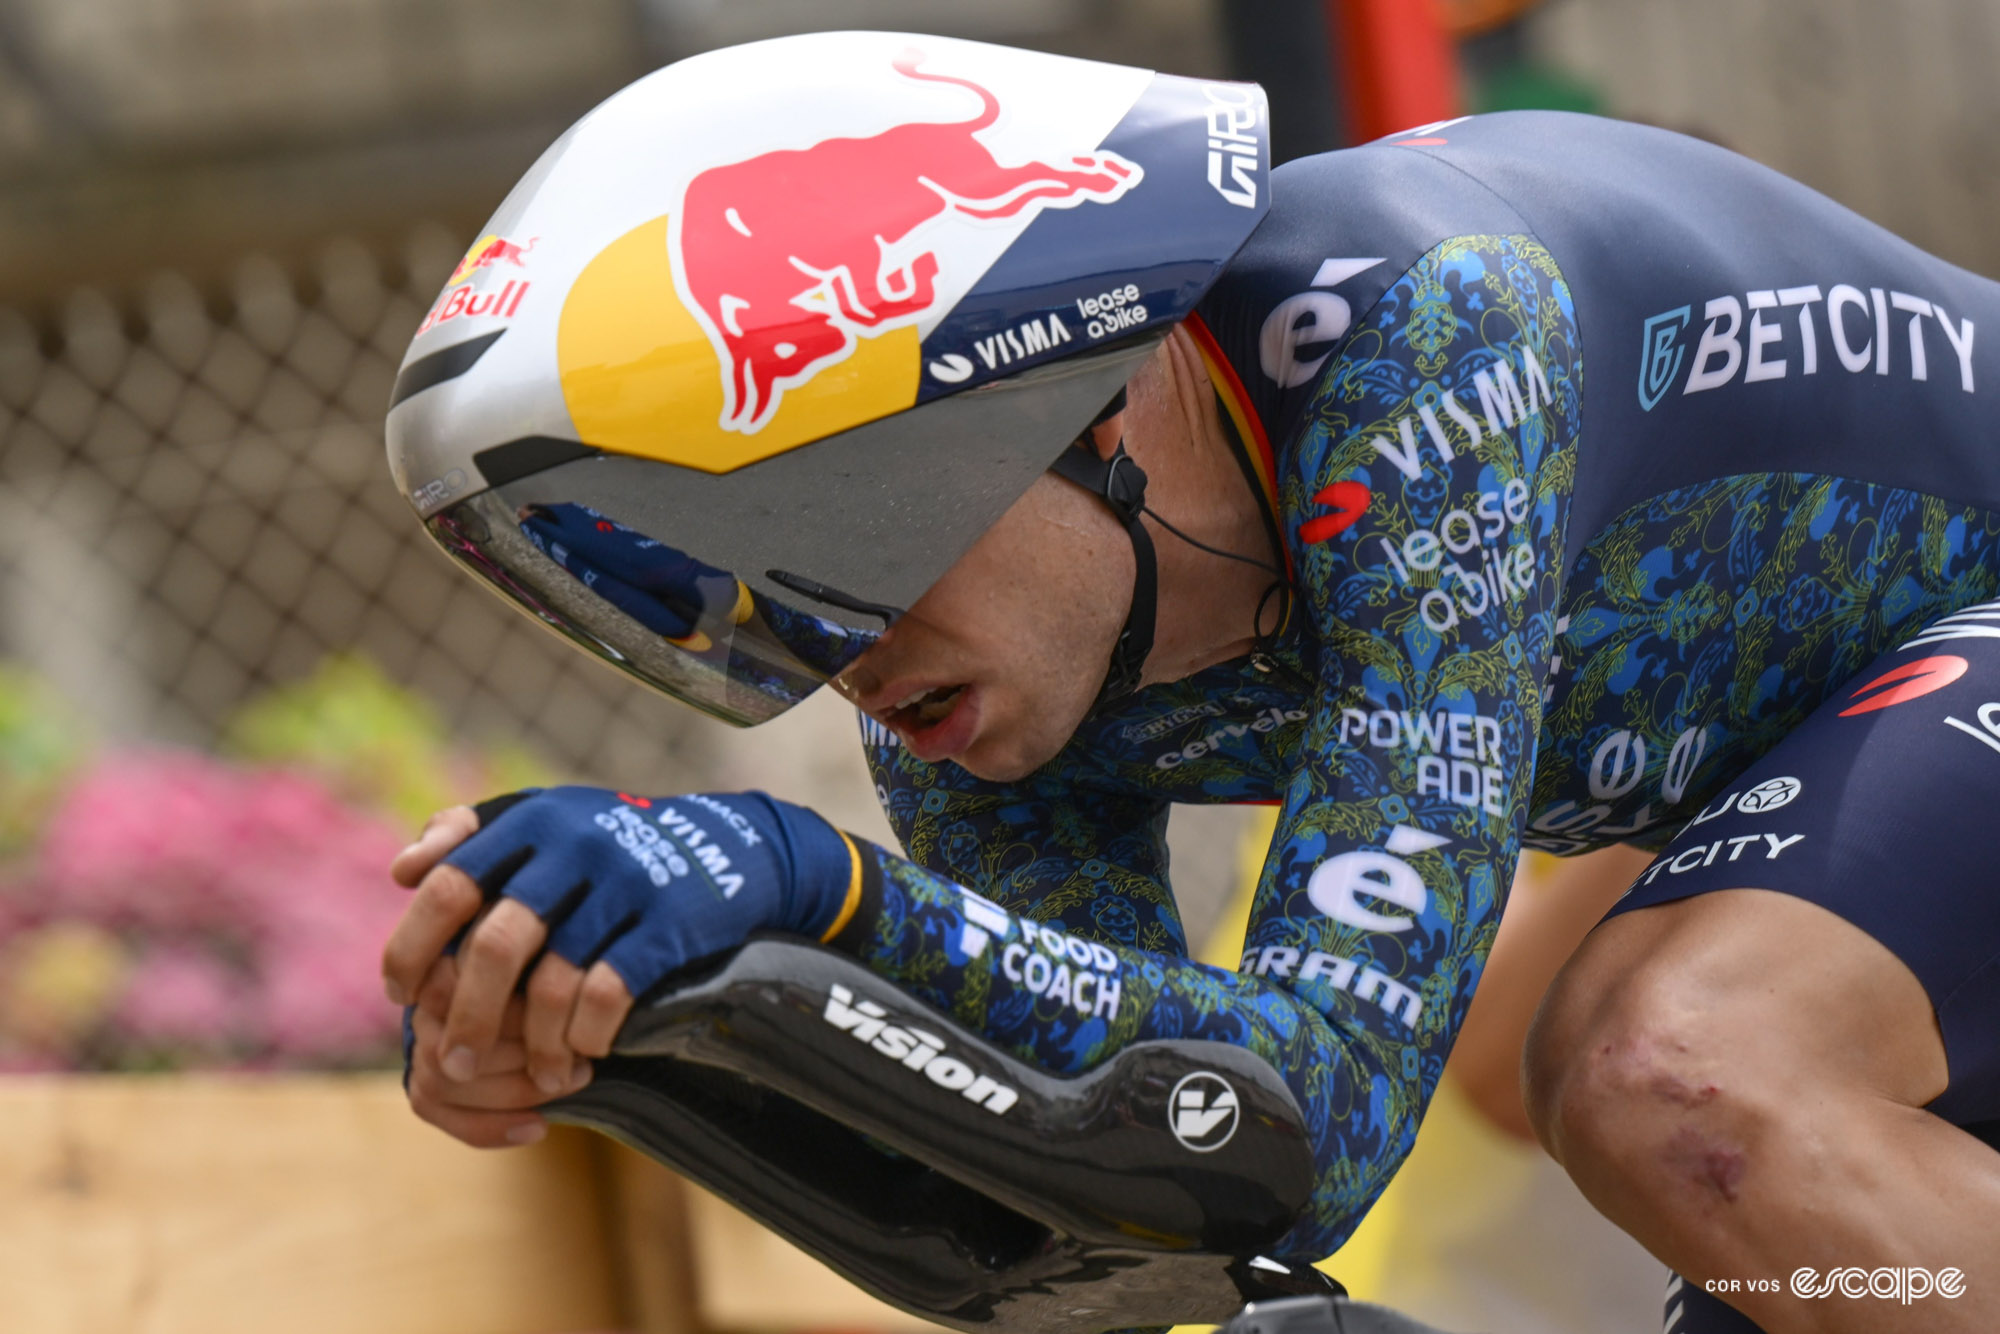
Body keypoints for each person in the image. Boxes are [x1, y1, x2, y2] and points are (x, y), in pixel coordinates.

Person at [381, 31, 2000, 1334]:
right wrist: (639, 1036)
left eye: (837, 525)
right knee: (1671, 1163)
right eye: (750, 585)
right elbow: (1135, 1169)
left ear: (1065, 391)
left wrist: (813, 890)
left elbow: (1321, 1110)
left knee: (1676, 1071)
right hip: (1845, 719)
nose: (834, 648)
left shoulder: (1426, 330)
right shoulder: (983, 667)